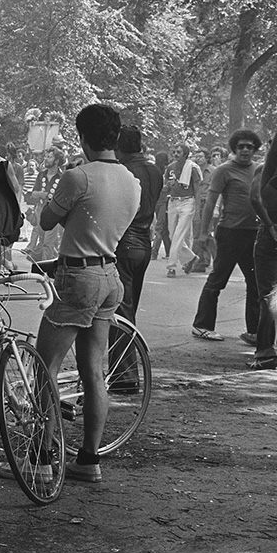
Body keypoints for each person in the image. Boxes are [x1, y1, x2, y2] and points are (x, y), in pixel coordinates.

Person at [34, 104, 140, 482]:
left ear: (82, 137)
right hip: (110, 274)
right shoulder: (131, 180)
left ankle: (41, 460)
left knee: (44, 365)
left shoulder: (77, 177)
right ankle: (88, 458)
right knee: (94, 371)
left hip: (77, 276)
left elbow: (46, 221)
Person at [191, 130, 262, 342]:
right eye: (241, 146)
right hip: (229, 232)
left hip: (253, 233)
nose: (245, 150)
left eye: (249, 146)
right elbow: (210, 202)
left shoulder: (259, 170)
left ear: (255, 149)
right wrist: (204, 233)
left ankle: (254, 332)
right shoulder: (224, 170)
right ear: (234, 149)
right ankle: (202, 325)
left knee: (255, 282)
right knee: (217, 280)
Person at [112, 125, 163, 387]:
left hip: (126, 243)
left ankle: (125, 375)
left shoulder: (124, 171)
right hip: (143, 244)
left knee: (121, 311)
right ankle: (124, 372)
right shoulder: (153, 170)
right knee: (127, 310)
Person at [250, 118, 277, 367]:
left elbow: (257, 198)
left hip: (273, 231)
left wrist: (270, 224)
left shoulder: (265, 170)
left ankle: (268, 351)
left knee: (269, 293)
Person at [164, 144, 201, 277]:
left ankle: (171, 267)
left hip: (187, 201)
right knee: (171, 234)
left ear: (185, 154)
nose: (175, 154)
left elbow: (197, 188)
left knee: (179, 234)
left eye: (178, 152)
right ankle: (190, 258)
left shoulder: (192, 168)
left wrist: (197, 209)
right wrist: (168, 185)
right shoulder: (170, 168)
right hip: (173, 201)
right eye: (174, 151)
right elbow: (166, 186)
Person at [151, 150, 171, 261]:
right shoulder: (161, 171)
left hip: (161, 201)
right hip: (162, 201)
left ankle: (154, 253)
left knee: (159, 228)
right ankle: (167, 252)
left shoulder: (161, 171)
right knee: (162, 229)